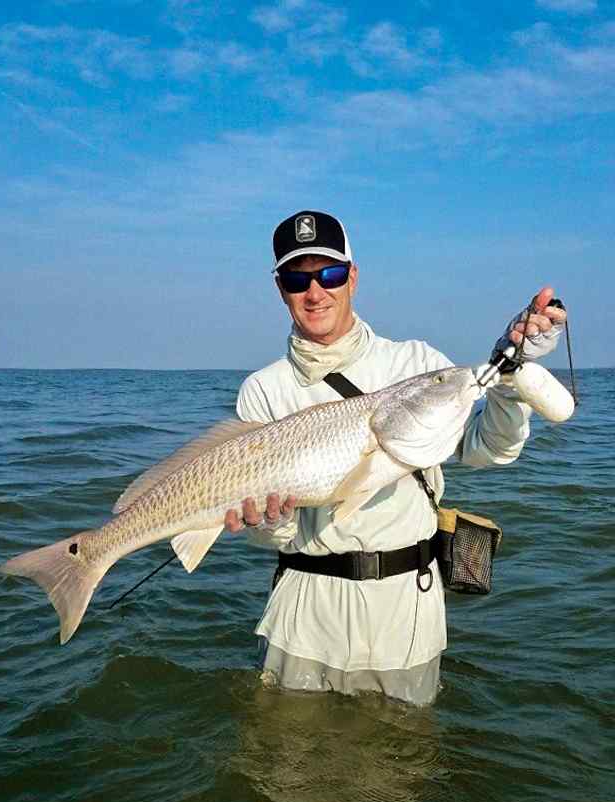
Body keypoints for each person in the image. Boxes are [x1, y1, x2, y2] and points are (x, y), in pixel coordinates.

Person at [224, 210, 566, 705]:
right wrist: (269, 523)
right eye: (298, 279)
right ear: (281, 289)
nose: (315, 292)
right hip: (304, 613)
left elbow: (489, 447)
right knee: (289, 751)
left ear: (352, 277)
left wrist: (513, 378)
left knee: (402, 753)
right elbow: (269, 533)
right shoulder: (263, 390)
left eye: (330, 274)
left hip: (406, 611)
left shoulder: (418, 363)